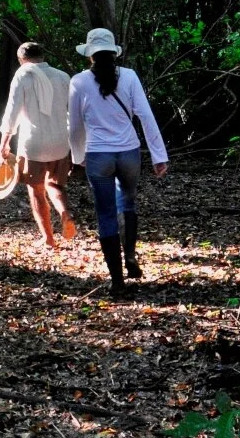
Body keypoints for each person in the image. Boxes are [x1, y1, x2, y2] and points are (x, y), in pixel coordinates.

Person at [69, 27, 168, 295]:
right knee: (128, 202)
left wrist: (77, 158)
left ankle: (117, 281)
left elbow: (75, 126)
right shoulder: (130, 76)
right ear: (114, 52)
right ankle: (131, 257)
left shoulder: (78, 81)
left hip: (98, 155)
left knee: (106, 215)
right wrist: (159, 155)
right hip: (129, 154)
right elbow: (146, 116)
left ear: (90, 55)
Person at [0, 41, 76, 248]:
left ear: (21, 59)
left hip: (34, 144)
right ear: (43, 56)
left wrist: (4, 141)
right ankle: (65, 213)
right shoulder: (62, 76)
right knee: (55, 185)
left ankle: (48, 238)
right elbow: (73, 111)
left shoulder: (23, 75)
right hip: (60, 142)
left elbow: (12, 112)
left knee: (36, 191)